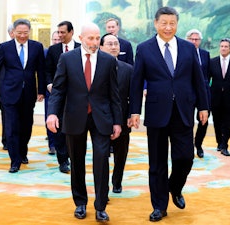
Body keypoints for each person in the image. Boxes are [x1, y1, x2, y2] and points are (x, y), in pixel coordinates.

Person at [128, 6, 208, 222]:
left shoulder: (188, 48)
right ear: (156, 23)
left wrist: (203, 106)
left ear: (177, 24)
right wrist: (134, 110)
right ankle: (159, 206)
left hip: (183, 110)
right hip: (156, 112)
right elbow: (136, 82)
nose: (168, 27)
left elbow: (198, 79)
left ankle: (175, 186)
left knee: (185, 157)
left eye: (172, 23)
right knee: (157, 163)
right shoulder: (144, 49)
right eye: (163, 23)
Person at [46, 22, 122, 222]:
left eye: (98, 38)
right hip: (74, 116)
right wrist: (52, 113)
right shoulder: (67, 59)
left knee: (102, 160)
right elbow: (59, 89)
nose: (95, 42)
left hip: (101, 118)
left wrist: (117, 122)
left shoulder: (107, 61)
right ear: (81, 38)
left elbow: (114, 94)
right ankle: (80, 202)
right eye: (91, 38)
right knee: (77, 162)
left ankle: (101, 206)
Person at [0, 18, 46, 173]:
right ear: (13, 32)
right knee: (11, 127)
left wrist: (41, 91)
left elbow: (41, 70)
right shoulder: (4, 47)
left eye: (25, 33)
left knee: (26, 126)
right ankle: (15, 160)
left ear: (29, 32)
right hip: (9, 93)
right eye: (19, 33)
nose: (22, 36)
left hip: (28, 93)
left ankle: (22, 151)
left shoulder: (37, 47)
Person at [45, 21, 81, 173]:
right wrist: (49, 84)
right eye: (58, 32)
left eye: (63, 32)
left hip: (77, 96)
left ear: (71, 32)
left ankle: (75, 158)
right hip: (58, 95)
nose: (59, 35)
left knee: (75, 128)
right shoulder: (53, 50)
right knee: (59, 129)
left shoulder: (81, 48)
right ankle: (63, 160)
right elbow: (47, 70)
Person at [100, 33, 132, 194]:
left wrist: (131, 115)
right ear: (101, 47)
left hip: (122, 118)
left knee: (121, 153)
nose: (113, 47)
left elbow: (133, 96)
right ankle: (103, 185)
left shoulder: (128, 69)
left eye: (116, 44)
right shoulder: (95, 68)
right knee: (102, 155)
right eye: (110, 44)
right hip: (101, 118)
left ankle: (117, 181)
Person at [210, 38, 230, 157]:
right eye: (221, 46)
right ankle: (219, 142)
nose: (223, 48)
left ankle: (225, 145)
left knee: (227, 122)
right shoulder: (212, 62)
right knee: (217, 121)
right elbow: (208, 80)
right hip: (215, 97)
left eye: (226, 46)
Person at [185, 28, 210, 158]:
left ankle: (198, 144)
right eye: (191, 39)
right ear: (187, 40)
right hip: (187, 92)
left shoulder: (205, 54)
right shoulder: (182, 53)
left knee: (203, 120)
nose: (194, 41)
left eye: (196, 39)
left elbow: (207, 75)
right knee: (187, 120)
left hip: (203, 92)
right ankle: (188, 146)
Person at [43, 30, 61, 155]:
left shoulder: (70, 52)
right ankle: (52, 144)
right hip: (50, 90)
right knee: (49, 116)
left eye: (58, 39)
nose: (56, 42)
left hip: (66, 91)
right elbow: (43, 71)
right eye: (54, 39)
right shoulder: (46, 52)